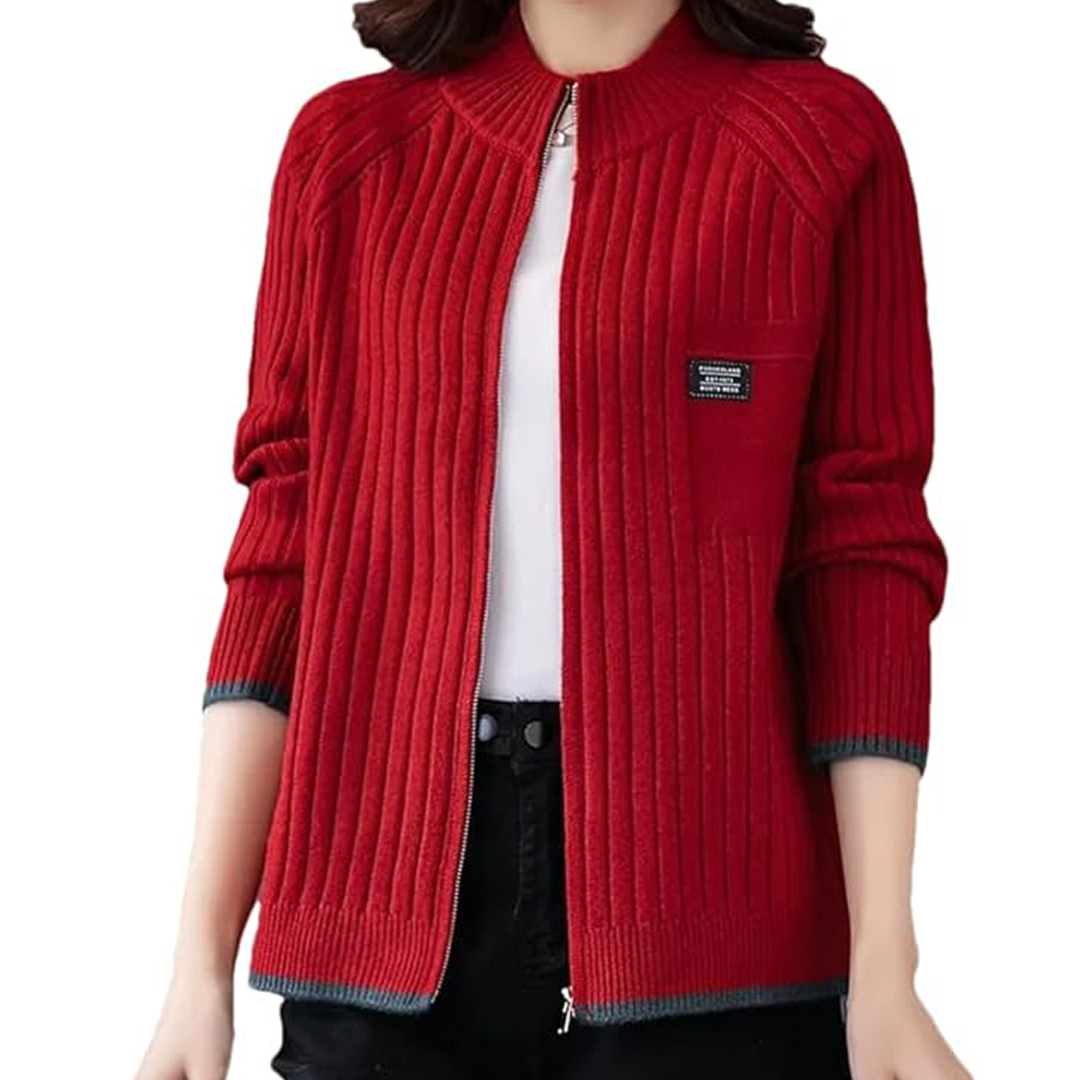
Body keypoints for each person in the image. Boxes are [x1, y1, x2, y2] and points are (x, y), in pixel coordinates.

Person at [135, 2, 974, 1078]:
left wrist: (887, 965)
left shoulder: (818, 143)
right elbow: (283, 554)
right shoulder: (345, 154)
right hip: (375, 899)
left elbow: (861, 556)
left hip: (712, 919)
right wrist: (198, 963)